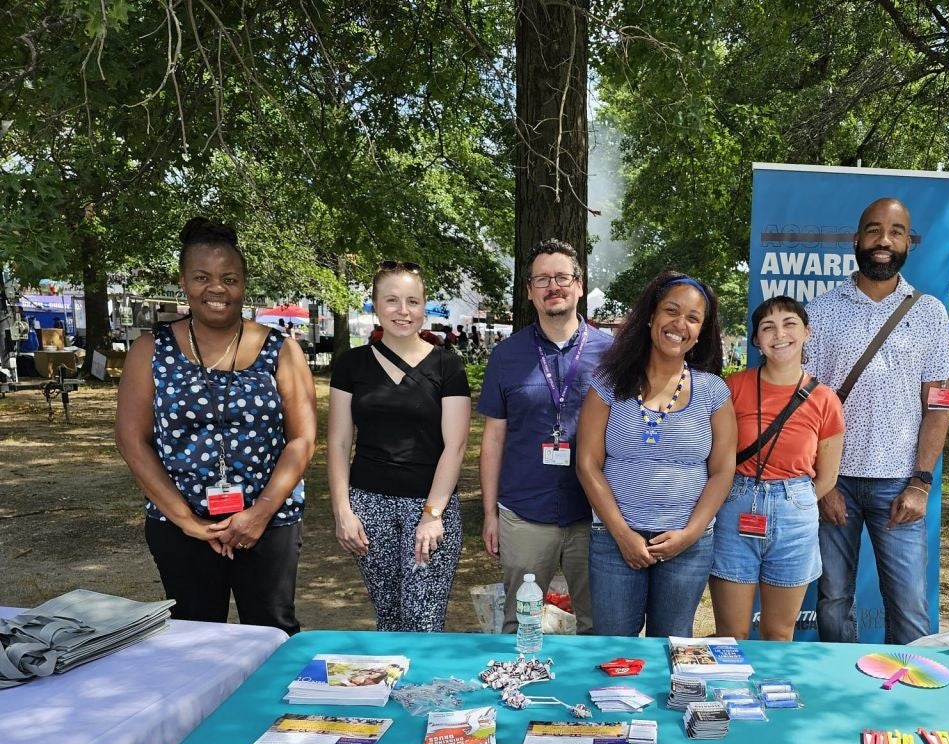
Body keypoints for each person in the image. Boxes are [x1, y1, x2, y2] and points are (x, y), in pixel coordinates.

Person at [115, 216, 316, 634]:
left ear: (244, 284)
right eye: (202, 277)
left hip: (269, 521)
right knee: (193, 637)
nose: (217, 288)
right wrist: (187, 520)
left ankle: (270, 705)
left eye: (230, 278)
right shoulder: (151, 349)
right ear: (184, 282)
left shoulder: (282, 350)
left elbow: (302, 439)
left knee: (272, 634)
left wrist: (259, 514)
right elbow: (133, 440)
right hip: (181, 524)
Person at [805, 197, 949, 645]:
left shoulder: (929, 314)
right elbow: (805, 406)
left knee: (908, 605)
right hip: (835, 482)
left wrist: (921, 483)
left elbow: (940, 405)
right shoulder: (821, 310)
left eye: (895, 231)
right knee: (832, 598)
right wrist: (822, 484)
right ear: (856, 240)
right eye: (873, 230)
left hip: (900, 485)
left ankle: (908, 702)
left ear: (909, 242)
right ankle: (841, 692)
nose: (883, 240)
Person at [575, 271, 736, 638]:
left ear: (701, 331)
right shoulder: (608, 384)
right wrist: (622, 533)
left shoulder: (713, 392)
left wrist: (690, 534)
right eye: (671, 311)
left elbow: (723, 471)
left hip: (686, 546)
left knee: (672, 647)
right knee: (614, 650)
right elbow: (587, 463)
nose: (680, 324)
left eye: (693, 318)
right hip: (615, 542)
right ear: (651, 317)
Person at [328, 260, 471, 632]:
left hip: (428, 506)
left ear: (424, 306)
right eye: (391, 300)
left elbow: (455, 446)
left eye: (412, 301)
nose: (402, 311)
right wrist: (343, 512)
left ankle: (422, 691)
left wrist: (433, 514)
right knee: (389, 619)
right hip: (368, 506)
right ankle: (388, 691)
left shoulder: (447, 366)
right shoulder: (351, 365)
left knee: (422, 620)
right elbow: (340, 442)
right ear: (375, 305)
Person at [477, 239, 611, 633]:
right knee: (521, 625)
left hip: (594, 514)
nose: (554, 286)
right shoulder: (506, 356)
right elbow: (493, 441)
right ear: (530, 291)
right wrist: (489, 514)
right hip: (524, 515)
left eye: (562, 277)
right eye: (542, 279)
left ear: (580, 285)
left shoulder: (613, 353)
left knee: (598, 625)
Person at [709, 297, 844, 642]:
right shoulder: (733, 387)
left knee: (779, 632)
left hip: (795, 513)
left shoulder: (825, 398)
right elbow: (714, 455)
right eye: (767, 327)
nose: (779, 334)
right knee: (732, 632)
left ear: (807, 333)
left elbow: (827, 475)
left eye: (789, 324)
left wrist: (794, 501)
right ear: (756, 340)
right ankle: (732, 694)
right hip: (735, 506)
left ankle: (772, 697)